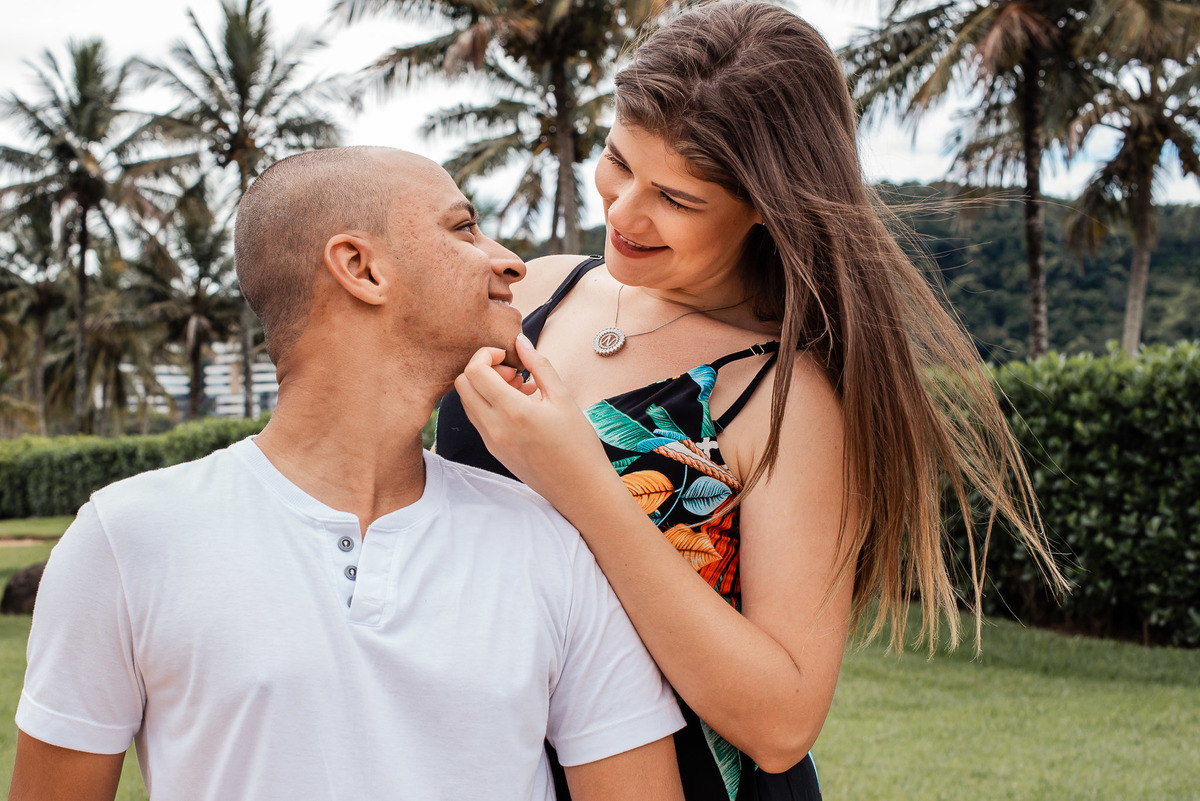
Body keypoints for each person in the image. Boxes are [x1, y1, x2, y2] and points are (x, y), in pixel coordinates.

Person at [436, 3, 1067, 800]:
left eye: (677, 197)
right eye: (617, 161)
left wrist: (583, 485)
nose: (624, 212)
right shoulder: (534, 290)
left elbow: (782, 722)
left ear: (765, 204)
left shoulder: (784, 395)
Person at [9, 146, 687, 801]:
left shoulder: (554, 545)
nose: (510, 263)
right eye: (464, 229)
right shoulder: (127, 540)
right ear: (360, 267)